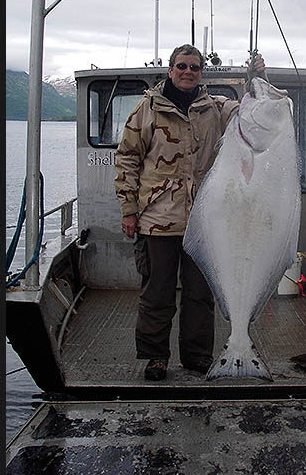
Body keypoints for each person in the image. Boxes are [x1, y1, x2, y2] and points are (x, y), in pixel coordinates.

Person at [114, 44, 266, 381]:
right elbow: (127, 158)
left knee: (200, 294)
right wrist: (128, 209)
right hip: (157, 220)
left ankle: (197, 357)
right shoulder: (146, 109)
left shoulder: (215, 108)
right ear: (170, 70)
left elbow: (251, 114)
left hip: (206, 222)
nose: (188, 71)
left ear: (201, 73)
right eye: (181, 66)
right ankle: (155, 357)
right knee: (157, 293)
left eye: (194, 67)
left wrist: (256, 78)